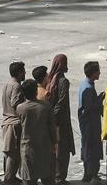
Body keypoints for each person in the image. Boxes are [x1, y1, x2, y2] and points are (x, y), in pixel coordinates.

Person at [18, 78, 56, 185]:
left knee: (29, 179)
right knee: (47, 178)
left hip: (27, 148)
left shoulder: (20, 108)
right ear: (36, 91)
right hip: (44, 147)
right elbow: (52, 128)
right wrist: (55, 143)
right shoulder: (46, 106)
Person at [42, 54, 74, 184]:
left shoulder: (49, 79)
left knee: (54, 149)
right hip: (61, 121)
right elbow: (62, 101)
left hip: (51, 119)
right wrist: (55, 116)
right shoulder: (63, 81)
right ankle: (60, 177)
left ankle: (54, 175)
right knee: (62, 149)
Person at [77, 61, 103, 184]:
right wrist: (100, 100)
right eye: (98, 71)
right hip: (90, 124)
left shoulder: (86, 84)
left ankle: (88, 174)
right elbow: (89, 108)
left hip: (87, 123)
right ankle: (92, 175)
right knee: (92, 149)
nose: (100, 73)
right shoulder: (88, 88)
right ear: (93, 73)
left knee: (87, 147)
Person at [2, 61, 26, 184]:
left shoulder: (8, 84)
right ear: (19, 73)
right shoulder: (16, 86)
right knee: (13, 153)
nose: (25, 73)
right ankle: (9, 179)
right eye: (23, 71)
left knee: (9, 152)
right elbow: (15, 104)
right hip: (14, 123)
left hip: (7, 122)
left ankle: (11, 176)